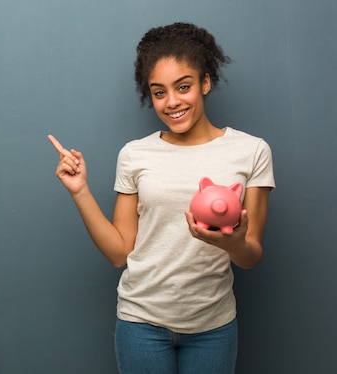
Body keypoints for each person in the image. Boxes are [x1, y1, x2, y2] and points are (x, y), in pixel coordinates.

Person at [48, 22, 274, 374]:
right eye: (159, 92)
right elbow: (119, 253)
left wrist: (232, 243)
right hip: (141, 324)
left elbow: (250, 256)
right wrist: (80, 192)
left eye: (183, 87)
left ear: (205, 82)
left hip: (213, 326)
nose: (171, 102)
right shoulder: (135, 155)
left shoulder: (251, 151)